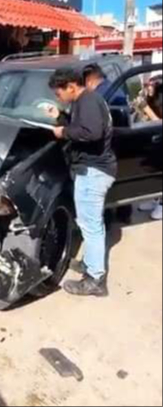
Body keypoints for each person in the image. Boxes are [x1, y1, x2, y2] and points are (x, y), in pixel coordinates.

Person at [49, 67, 117, 297]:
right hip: (93, 170)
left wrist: (62, 133)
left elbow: (92, 132)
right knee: (89, 222)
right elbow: (82, 126)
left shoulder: (87, 100)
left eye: (59, 93)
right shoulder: (85, 101)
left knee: (91, 226)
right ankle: (90, 264)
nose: (58, 97)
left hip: (93, 171)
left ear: (71, 86)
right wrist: (60, 118)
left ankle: (95, 279)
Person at [138, 75, 163, 221]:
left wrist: (146, 109)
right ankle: (154, 199)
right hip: (158, 139)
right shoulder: (152, 99)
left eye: (151, 85)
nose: (148, 88)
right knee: (154, 169)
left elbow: (159, 122)